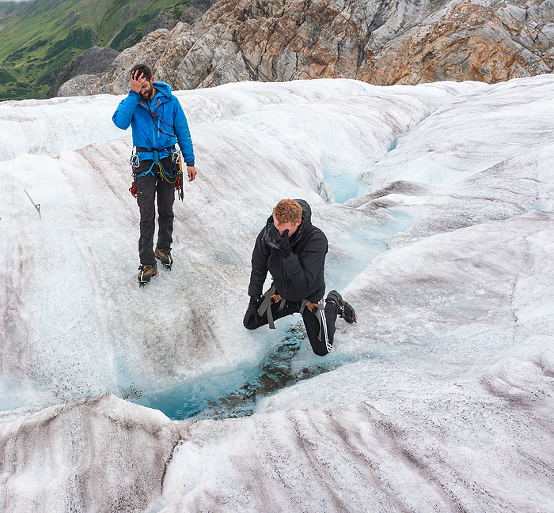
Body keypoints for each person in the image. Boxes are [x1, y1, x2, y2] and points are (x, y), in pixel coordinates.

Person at [112, 64, 197, 284]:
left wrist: (190, 161)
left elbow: (183, 131)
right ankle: (147, 261)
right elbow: (119, 122)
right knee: (146, 212)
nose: (142, 90)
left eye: (144, 85)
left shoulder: (170, 101)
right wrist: (132, 94)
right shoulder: (133, 101)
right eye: (137, 87)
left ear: (152, 79)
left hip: (168, 159)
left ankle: (163, 248)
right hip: (145, 162)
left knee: (166, 208)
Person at [244, 199, 356, 356]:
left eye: (284, 230)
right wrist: (253, 299)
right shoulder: (268, 233)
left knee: (323, 350)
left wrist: (286, 252)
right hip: (281, 293)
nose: (277, 232)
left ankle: (333, 302)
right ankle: (289, 306)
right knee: (250, 322)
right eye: (276, 226)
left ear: (298, 222)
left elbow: (304, 285)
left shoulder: (316, 239)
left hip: (308, 297)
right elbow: (258, 267)